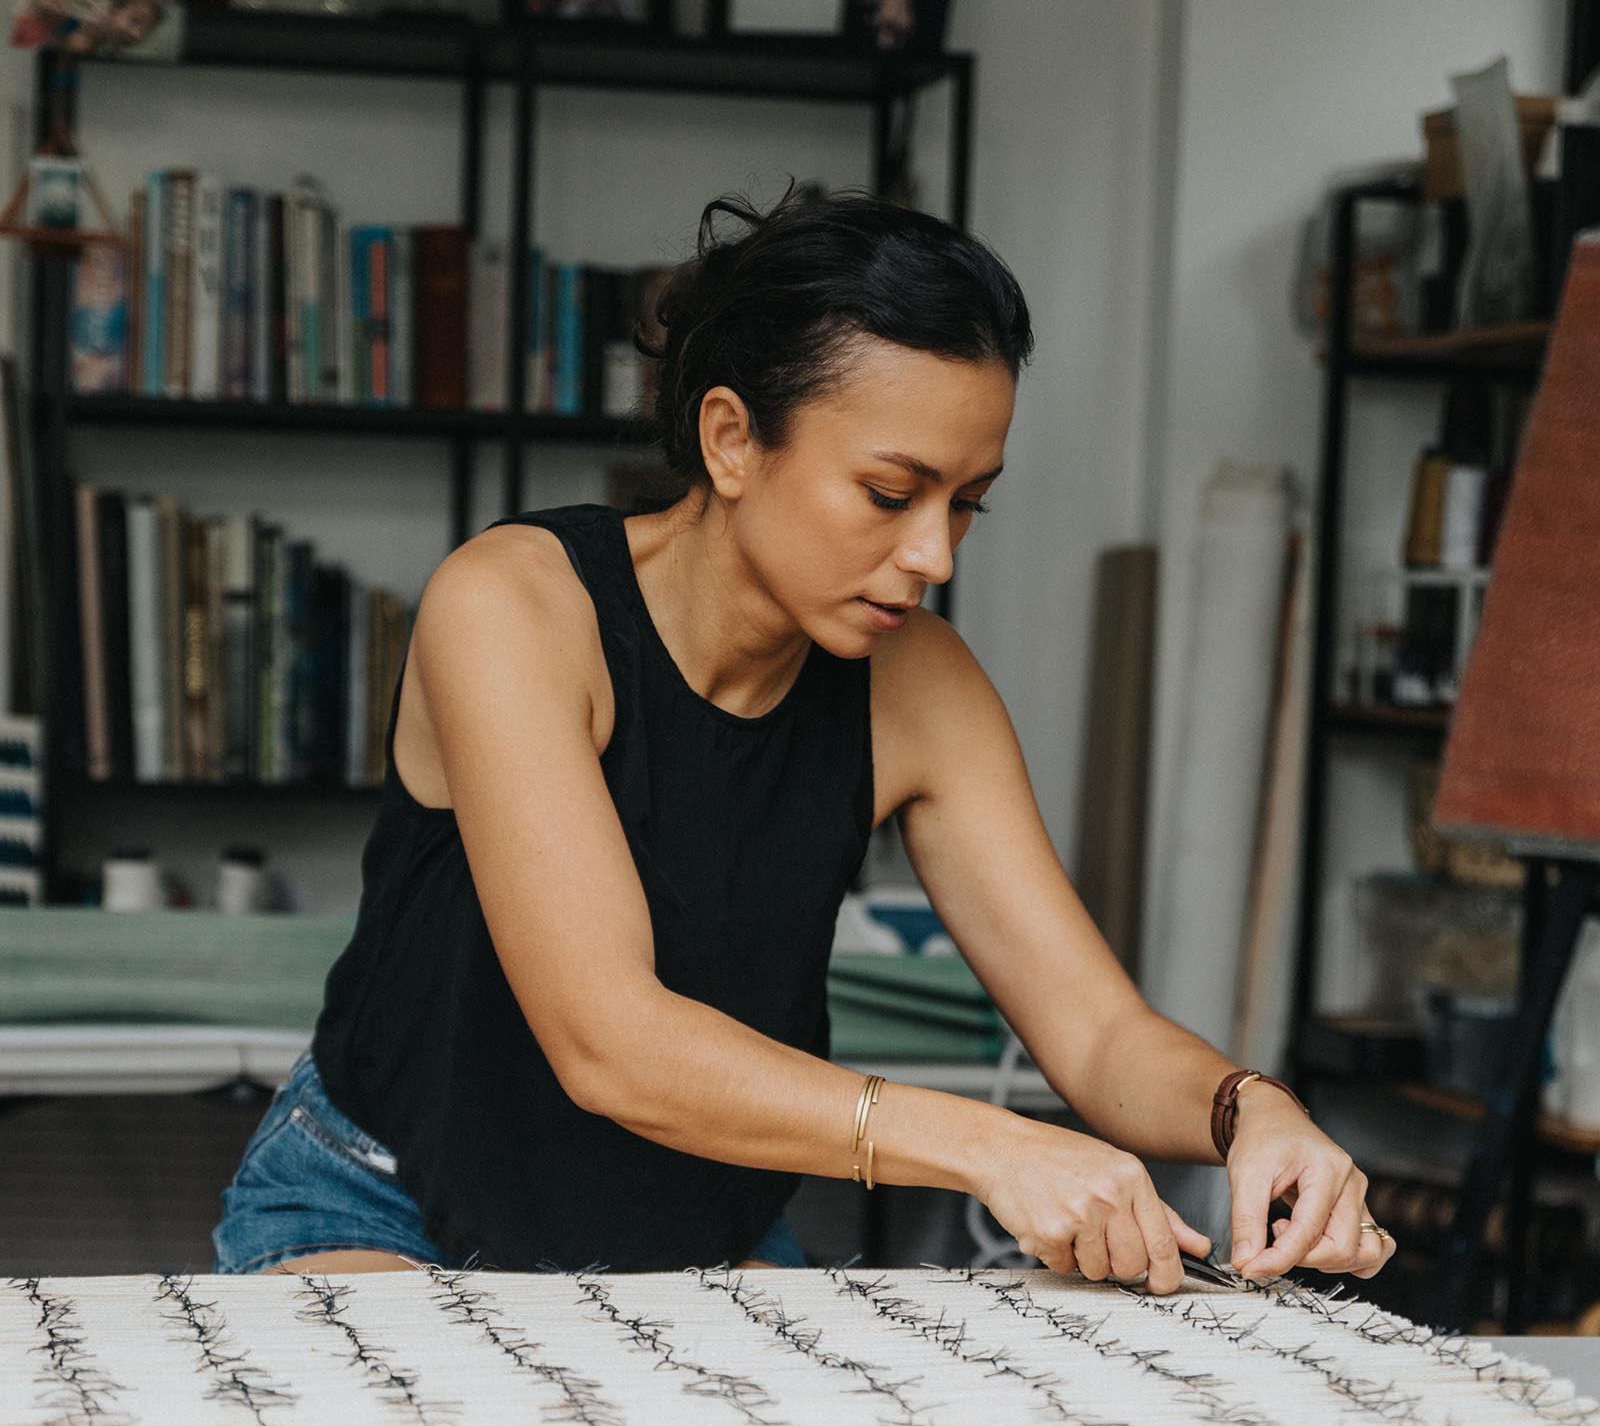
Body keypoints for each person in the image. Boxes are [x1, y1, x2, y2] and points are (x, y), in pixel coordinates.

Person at [213, 181, 1396, 1294]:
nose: (935, 554)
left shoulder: (917, 681)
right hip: (382, 1209)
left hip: (702, 1234)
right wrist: (986, 1145)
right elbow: (609, 1042)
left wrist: (1252, 1109)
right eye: (892, 493)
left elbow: (1095, 1034)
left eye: (966, 501)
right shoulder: (514, 606)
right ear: (730, 440)